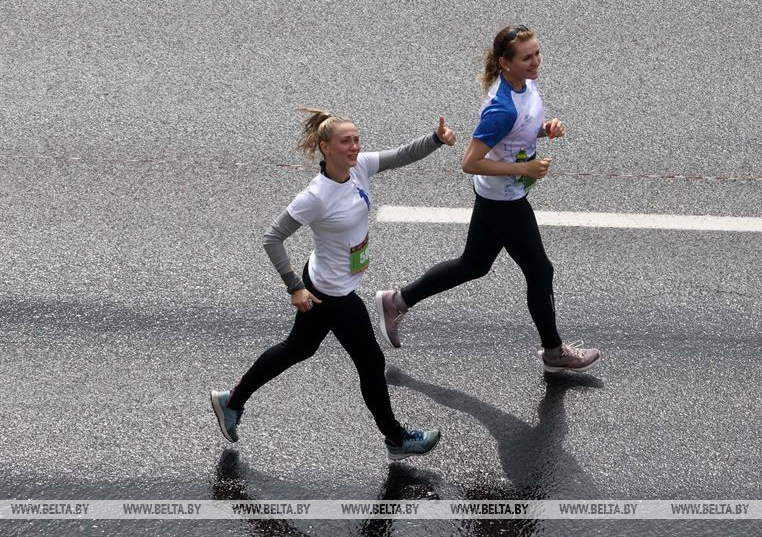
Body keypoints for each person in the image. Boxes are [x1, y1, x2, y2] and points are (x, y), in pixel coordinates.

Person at [210, 108, 457, 460]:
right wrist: (294, 286)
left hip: (327, 280)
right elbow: (272, 237)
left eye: (357, 139)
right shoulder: (316, 196)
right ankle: (396, 439)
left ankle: (231, 401)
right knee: (370, 362)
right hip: (330, 292)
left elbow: (402, 155)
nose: (354, 147)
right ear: (325, 148)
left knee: (299, 348)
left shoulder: (360, 169)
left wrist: (435, 140)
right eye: (346, 141)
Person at [375, 24, 600, 373]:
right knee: (540, 271)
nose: (536, 61)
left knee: (473, 265)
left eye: (537, 53)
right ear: (504, 63)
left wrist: (545, 128)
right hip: (503, 200)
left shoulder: (524, 84)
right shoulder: (502, 108)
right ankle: (554, 352)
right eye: (527, 57)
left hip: (500, 194)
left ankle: (396, 300)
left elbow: (521, 130)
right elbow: (470, 162)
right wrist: (523, 170)